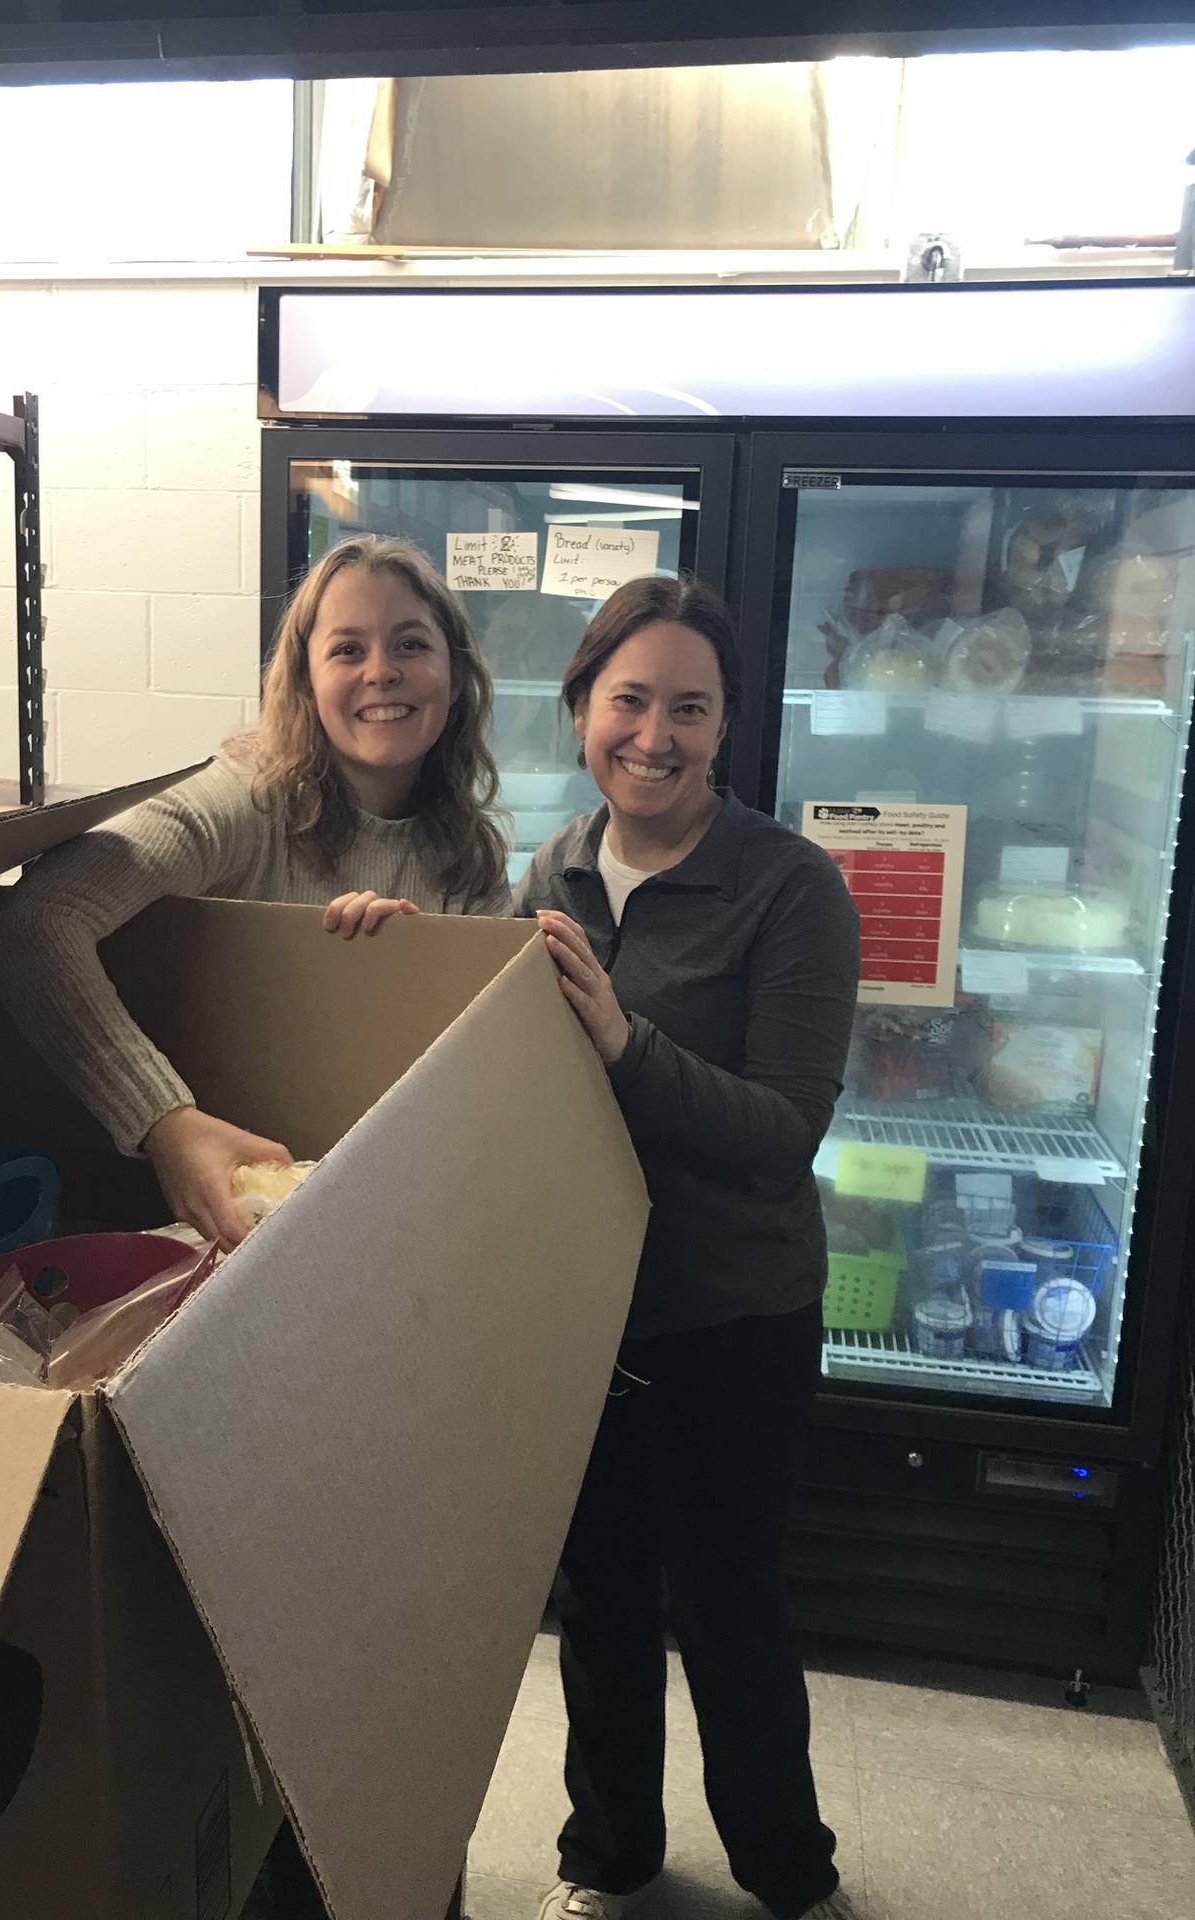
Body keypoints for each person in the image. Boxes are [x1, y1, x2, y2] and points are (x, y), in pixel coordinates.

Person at [513, 574, 861, 1920]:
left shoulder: (790, 888)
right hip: (586, 1308)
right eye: (630, 701)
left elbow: (783, 1133)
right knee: (598, 1606)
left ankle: (788, 1872)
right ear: (585, 710)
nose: (655, 735)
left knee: (730, 1612)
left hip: (735, 1314)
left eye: (691, 709)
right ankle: (609, 1859)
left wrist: (619, 1038)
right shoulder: (547, 872)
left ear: (727, 729)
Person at [0, 530, 510, 1253]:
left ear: (456, 674)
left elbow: (484, 1087)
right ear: (304, 681)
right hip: (205, 1230)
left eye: (411, 644)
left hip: (390, 1227)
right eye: (347, 649)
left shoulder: (469, 858)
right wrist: (163, 1122)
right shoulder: (245, 805)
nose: (381, 671)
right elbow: (29, 926)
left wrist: (401, 978)